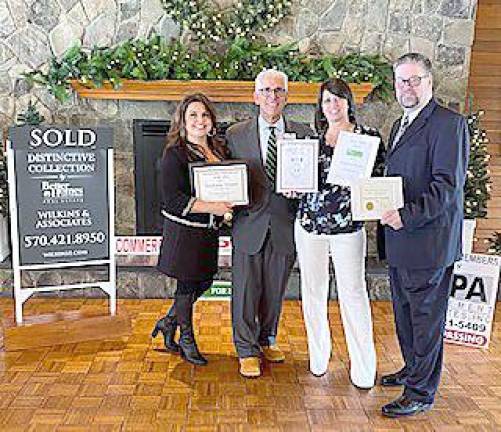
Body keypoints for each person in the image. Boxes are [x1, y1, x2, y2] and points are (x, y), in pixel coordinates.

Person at [379, 53, 469, 417]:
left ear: (430, 83)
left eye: (415, 80)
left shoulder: (449, 124)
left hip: (428, 242)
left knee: (426, 319)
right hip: (401, 241)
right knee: (404, 314)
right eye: (402, 81)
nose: (408, 87)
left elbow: (448, 187)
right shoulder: (400, 123)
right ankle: (412, 369)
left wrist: (406, 216)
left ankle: (420, 392)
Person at [295, 78, 385, 387]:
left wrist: (363, 186)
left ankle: (363, 368)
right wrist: (293, 188)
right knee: (313, 292)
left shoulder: (368, 139)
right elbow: (300, 183)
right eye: (326, 101)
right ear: (320, 107)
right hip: (309, 226)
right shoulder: (311, 142)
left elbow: (380, 181)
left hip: (348, 227)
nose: (333, 106)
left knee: (354, 294)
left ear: (349, 102)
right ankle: (319, 358)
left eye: (338, 99)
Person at [226, 69, 313, 378]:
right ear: (255, 96)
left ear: (287, 97)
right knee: (246, 290)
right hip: (249, 223)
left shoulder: (305, 134)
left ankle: (267, 339)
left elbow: (313, 180)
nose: (272, 96)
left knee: (275, 290)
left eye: (278, 91)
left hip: (285, 224)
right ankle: (246, 349)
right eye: (265, 90)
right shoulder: (235, 134)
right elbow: (226, 175)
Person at [152, 93, 233, 366]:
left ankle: (168, 322)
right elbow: (172, 200)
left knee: (205, 281)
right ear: (183, 121)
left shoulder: (219, 151)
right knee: (187, 285)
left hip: (208, 232)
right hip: (185, 232)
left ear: (211, 120)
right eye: (193, 116)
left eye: (204, 115)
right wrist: (213, 206)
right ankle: (187, 338)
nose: (200, 121)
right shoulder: (174, 155)